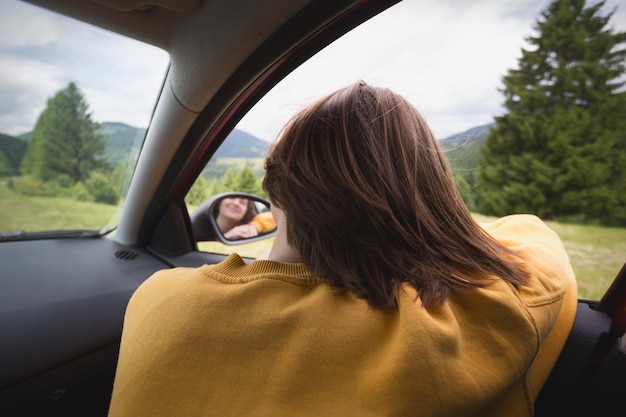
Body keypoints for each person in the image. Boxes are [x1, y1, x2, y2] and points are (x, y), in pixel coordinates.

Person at [108, 81, 577, 417]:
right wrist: (424, 212)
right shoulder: (482, 317)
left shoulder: (160, 301)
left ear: (275, 187)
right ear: (429, 195)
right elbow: (528, 233)